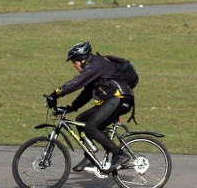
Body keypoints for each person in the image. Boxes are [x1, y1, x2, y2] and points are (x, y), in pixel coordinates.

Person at [47, 41, 134, 173]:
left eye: (74, 61)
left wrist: (56, 93)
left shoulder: (95, 65)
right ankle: (90, 158)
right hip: (112, 100)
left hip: (119, 98)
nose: (73, 64)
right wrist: (70, 108)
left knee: (91, 127)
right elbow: (86, 94)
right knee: (81, 120)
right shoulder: (93, 68)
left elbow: (77, 83)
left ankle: (119, 154)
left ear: (80, 59)